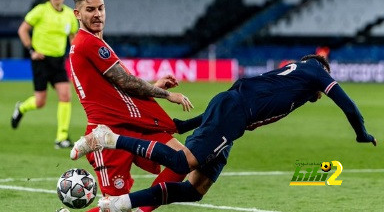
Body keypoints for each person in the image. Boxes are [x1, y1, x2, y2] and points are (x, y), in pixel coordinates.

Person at [71, 55, 377, 211]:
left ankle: (117, 204)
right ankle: (108, 138)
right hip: (234, 112)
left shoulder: (293, 82)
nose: (322, 93)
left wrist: (181, 126)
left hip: (232, 118)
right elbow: (348, 104)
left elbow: (220, 108)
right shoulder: (313, 71)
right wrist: (361, 132)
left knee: (195, 190)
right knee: (182, 163)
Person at [69, 0, 194, 212]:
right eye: (90, 10)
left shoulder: (93, 42)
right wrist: (167, 95)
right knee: (114, 206)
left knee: (183, 160)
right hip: (106, 132)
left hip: (132, 122)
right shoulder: (88, 43)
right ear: (77, 14)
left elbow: (115, 88)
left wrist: (152, 85)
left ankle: (142, 209)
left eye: (101, 8)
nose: (97, 14)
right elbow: (126, 81)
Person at [12, 0, 78, 149]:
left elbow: (73, 38)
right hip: (40, 60)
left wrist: (75, 55)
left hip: (58, 61)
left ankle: (61, 137)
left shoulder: (70, 14)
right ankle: (21, 108)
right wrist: (31, 50)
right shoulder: (40, 10)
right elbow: (22, 30)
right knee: (40, 102)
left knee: (65, 95)